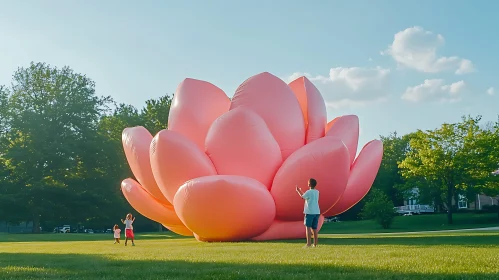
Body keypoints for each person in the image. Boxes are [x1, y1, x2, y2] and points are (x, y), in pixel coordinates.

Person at [296, 178, 320, 248]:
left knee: (308, 227)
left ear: (309, 184)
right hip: (316, 211)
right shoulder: (317, 192)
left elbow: (303, 197)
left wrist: (298, 190)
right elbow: (307, 197)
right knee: (314, 228)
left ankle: (308, 243)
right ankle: (315, 244)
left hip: (310, 212)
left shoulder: (308, 192)